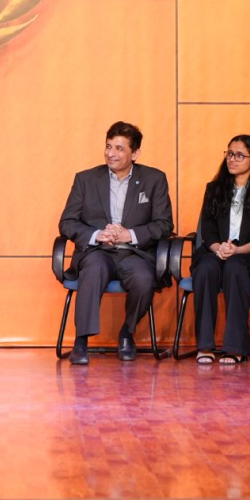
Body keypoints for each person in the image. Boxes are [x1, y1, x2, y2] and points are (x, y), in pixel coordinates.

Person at [58, 121, 174, 366]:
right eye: (109, 146)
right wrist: (97, 234)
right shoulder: (86, 179)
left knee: (143, 278)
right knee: (93, 269)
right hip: (98, 251)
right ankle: (81, 342)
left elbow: (164, 224)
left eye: (120, 148)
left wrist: (130, 235)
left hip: (135, 253)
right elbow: (67, 222)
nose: (111, 153)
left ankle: (127, 333)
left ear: (135, 153)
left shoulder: (154, 179)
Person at [190, 135, 250, 365]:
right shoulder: (214, 188)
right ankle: (205, 345)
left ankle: (234, 347)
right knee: (206, 268)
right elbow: (207, 230)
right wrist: (218, 248)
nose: (232, 159)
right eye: (230, 153)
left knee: (235, 267)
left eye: (240, 155)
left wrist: (237, 251)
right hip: (216, 250)